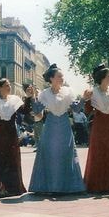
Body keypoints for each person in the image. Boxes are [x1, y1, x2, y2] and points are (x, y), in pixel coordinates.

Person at [29, 63, 86, 194]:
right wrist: (32, 97)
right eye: (59, 76)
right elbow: (38, 110)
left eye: (62, 76)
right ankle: (49, 186)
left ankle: (69, 185)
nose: (62, 78)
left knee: (66, 153)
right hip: (50, 125)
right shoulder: (44, 94)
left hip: (65, 125)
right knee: (50, 153)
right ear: (51, 79)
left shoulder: (68, 91)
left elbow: (76, 109)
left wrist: (83, 99)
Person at [0, 75, 33, 197]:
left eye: (9, 85)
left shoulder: (14, 99)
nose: (9, 87)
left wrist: (29, 97)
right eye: (6, 85)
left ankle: (13, 187)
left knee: (12, 159)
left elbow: (24, 111)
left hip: (11, 133)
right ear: (0, 87)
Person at [83, 64, 109, 193]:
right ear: (102, 78)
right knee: (98, 150)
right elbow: (87, 110)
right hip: (99, 124)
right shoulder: (93, 92)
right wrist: (86, 99)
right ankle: (96, 184)